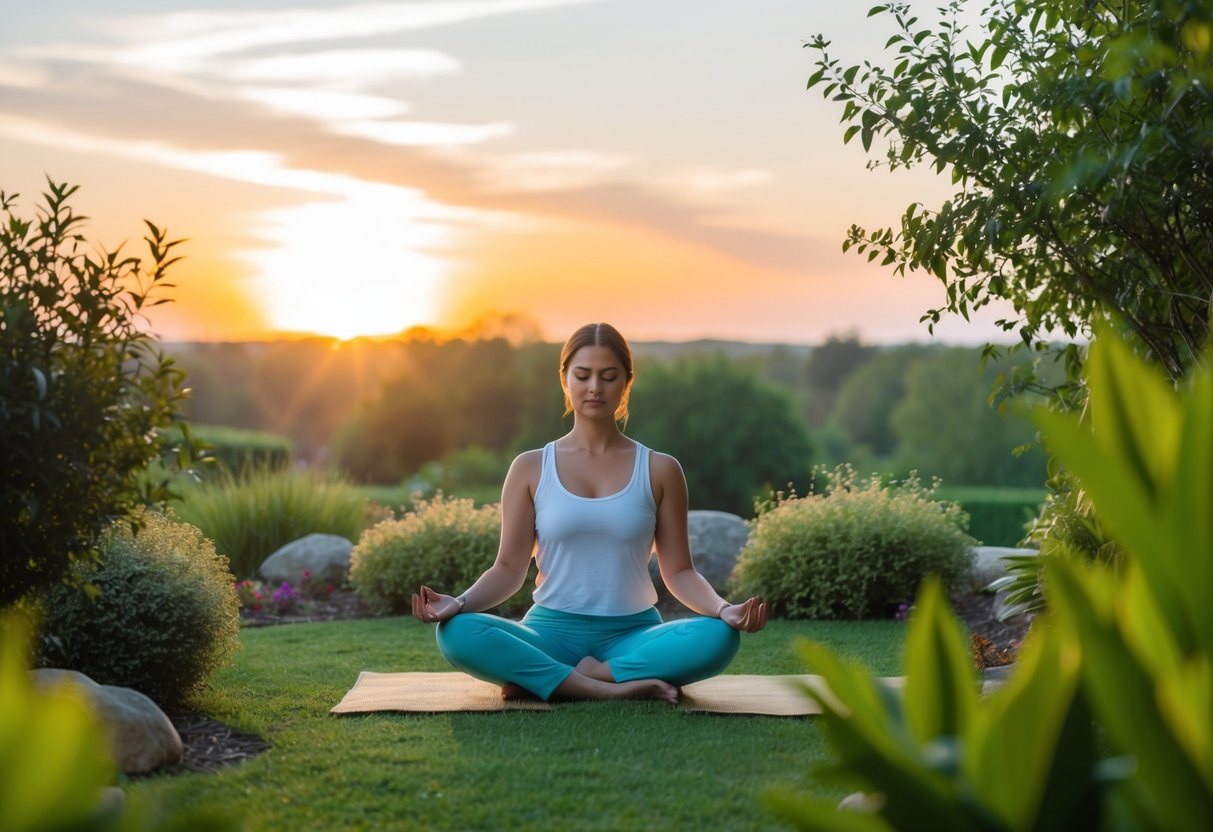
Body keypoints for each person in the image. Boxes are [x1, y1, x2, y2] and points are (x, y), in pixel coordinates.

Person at [411, 322, 768, 704]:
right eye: (582, 375)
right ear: (565, 379)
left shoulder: (661, 469)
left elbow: (679, 571)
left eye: (608, 376)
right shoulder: (530, 467)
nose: (595, 387)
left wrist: (723, 608)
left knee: (719, 637)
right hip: (548, 633)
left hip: (632, 634)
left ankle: (560, 679)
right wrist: (460, 603)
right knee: (456, 632)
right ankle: (606, 688)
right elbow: (509, 569)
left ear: (626, 383)